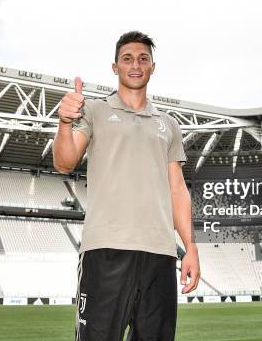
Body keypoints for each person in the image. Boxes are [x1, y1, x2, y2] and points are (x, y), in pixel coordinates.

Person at [53, 30, 200, 340]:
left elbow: (177, 189)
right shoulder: (93, 111)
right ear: (115, 67)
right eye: (127, 58)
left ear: (153, 67)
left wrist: (191, 248)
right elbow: (64, 162)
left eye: (143, 58)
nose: (136, 64)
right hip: (106, 250)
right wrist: (65, 123)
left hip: (160, 254)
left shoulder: (168, 124)